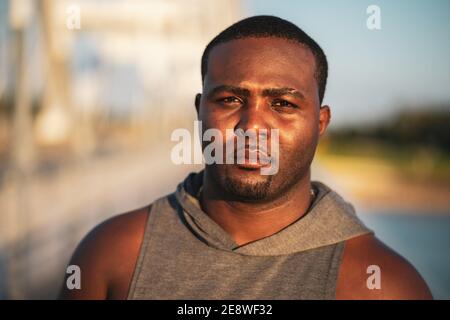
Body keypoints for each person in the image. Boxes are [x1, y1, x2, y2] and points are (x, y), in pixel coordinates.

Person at [60, 15, 432, 300]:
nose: (252, 126)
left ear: (320, 123)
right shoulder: (111, 253)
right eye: (230, 100)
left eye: (283, 104)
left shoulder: (381, 283)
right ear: (199, 110)